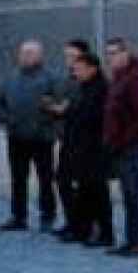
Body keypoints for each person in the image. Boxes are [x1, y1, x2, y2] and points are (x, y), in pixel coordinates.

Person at [0, 40, 60, 233]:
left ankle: (47, 216)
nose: (26, 56)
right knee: (18, 178)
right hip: (16, 137)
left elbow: (59, 104)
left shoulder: (51, 78)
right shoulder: (10, 78)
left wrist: (49, 121)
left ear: (40, 56)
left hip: (42, 137)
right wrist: (7, 120)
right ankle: (18, 216)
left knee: (45, 178)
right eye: (23, 53)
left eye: (31, 53)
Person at [103, 37, 138, 258]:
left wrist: (127, 138)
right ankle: (132, 239)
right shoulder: (119, 78)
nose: (112, 57)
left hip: (133, 146)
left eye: (115, 52)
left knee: (137, 195)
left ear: (126, 53)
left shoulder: (136, 79)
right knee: (128, 195)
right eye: (109, 54)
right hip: (122, 146)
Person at [60, 51, 113, 249]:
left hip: (95, 149)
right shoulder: (85, 88)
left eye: (80, 69)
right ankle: (84, 230)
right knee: (85, 191)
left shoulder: (100, 89)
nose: (76, 72)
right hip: (83, 149)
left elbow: (93, 118)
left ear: (93, 68)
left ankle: (105, 233)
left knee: (98, 193)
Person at [47, 39, 90, 239]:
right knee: (63, 181)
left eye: (73, 57)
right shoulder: (66, 80)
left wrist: (64, 108)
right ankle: (72, 222)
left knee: (80, 184)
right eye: (67, 57)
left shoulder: (86, 83)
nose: (69, 61)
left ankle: (81, 225)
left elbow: (77, 108)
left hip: (82, 141)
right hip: (66, 138)